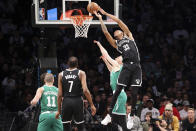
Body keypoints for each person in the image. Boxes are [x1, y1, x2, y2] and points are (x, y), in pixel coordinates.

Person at [94, 7, 142, 115]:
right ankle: (110, 112)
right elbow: (106, 33)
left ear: (122, 33)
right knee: (119, 88)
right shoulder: (117, 45)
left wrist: (105, 13)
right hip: (126, 66)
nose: (116, 32)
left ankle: (132, 114)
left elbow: (119, 21)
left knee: (134, 92)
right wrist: (101, 19)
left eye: (118, 31)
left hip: (136, 65)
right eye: (115, 33)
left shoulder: (129, 36)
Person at [93, 40, 128, 130]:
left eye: (120, 56)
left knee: (116, 117)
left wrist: (99, 44)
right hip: (119, 94)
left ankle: (109, 116)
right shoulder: (115, 68)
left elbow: (107, 55)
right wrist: (105, 60)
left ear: (122, 61)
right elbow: (110, 69)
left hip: (119, 94)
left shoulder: (119, 66)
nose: (117, 57)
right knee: (121, 120)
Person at [55, 56, 96, 131]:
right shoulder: (81, 73)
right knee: (80, 126)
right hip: (77, 101)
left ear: (67, 64)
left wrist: (58, 110)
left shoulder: (61, 74)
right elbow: (85, 90)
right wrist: (92, 104)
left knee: (66, 127)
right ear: (77, 64)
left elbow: (60, 94)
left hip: (66, 101)